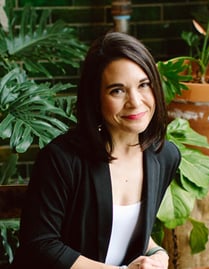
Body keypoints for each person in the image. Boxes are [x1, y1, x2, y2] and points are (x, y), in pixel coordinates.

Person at [11, 31, 181, 269]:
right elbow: (40, 244)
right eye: (117, 90)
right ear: (96, 98)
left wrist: (158, 253)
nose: (135, 101)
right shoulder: (62, 159)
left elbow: (127, 230)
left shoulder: (165, 157)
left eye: (143, 85)